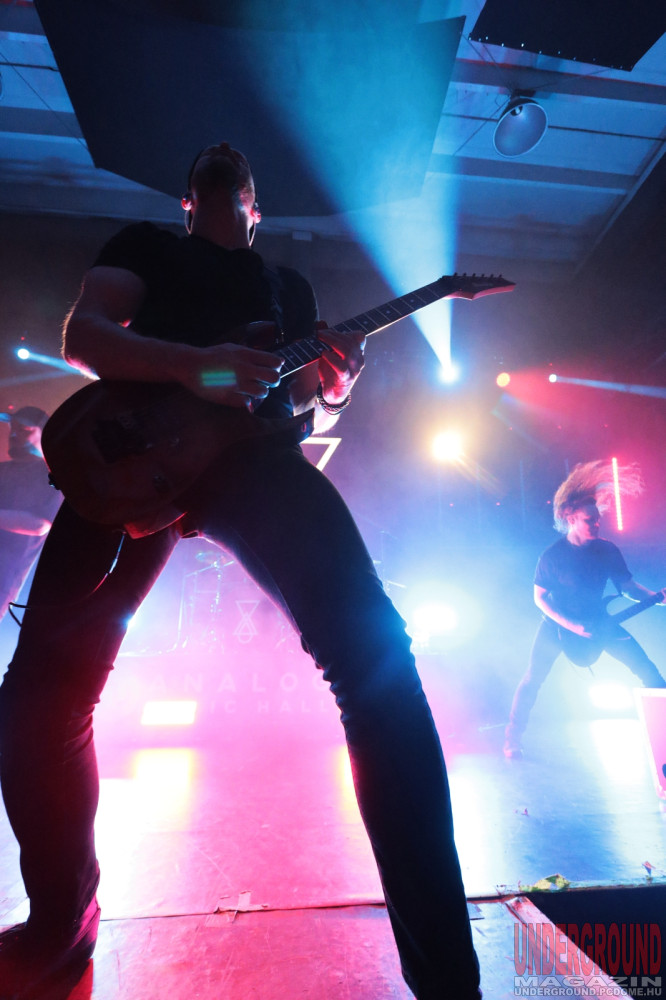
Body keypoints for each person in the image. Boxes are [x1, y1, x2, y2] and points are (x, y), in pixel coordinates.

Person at [0, 143, 481, 1000]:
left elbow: (292, 401)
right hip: (131, 454)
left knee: (377, 665)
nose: (225, 162)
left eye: (243, 175)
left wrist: (336, 385)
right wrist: (190, 366)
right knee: (40, 696)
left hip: (252, 461)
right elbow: (86, 336)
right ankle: (61, 923)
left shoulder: (286, 287)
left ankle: (450, 982)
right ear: (189, 200)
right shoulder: (148, 246)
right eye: (208, 170)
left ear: (257, 208)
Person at [504, 460, 666, 759]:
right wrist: (572, 626)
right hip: (557, 627)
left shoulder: (607, 550)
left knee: (648, 671)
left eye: (597, 520)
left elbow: (628, 588)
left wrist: (659, 598)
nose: (596, 524)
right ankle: (512, 738)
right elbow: (540, 599)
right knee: (533, 679)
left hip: (600, 622)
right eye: (589, 520)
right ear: (571, 519)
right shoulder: (552, 556)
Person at [0, 406, 61, 624]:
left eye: (24, 430)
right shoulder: (2, 469)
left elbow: (39, 524)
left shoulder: (53, 477)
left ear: (43, 434)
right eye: (12, 428)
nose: (14, 434)